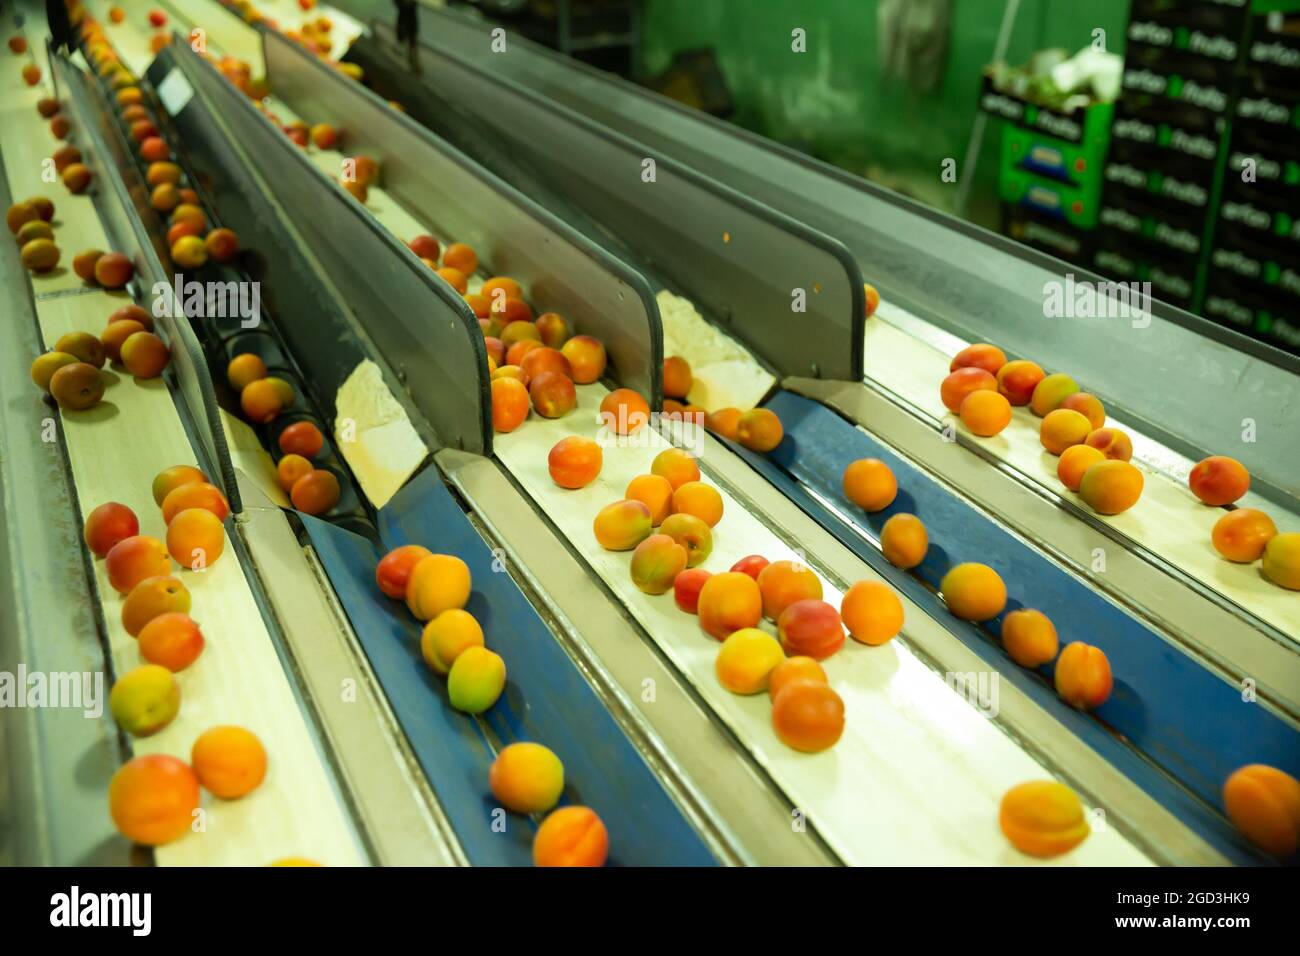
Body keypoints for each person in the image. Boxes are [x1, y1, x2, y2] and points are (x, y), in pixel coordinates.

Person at [395, 0, 419, 73]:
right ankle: (410, 61)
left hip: (409, 22)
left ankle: (412, 62)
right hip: (405, 21)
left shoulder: (410, 5)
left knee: (411, 42)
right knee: (406, 41)